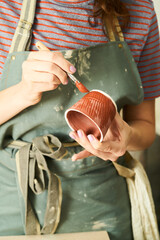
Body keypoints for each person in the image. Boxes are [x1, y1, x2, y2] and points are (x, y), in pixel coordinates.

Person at [0, 0, 160, 239]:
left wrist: (125, 138)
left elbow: (145, 128)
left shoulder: (141, 11)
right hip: (11, 199)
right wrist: (22, 92)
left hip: (101, 205)